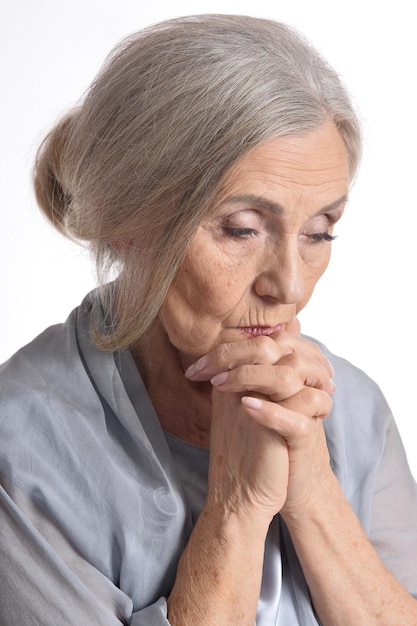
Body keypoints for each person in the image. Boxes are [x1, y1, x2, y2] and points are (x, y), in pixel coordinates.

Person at [0, 13, 416, 626]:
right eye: (242, 229)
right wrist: (238, 508)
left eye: (319, 232)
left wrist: (315, 492)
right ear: (129, 219)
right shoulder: (19, 453)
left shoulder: (351, 407)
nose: (290, 287)